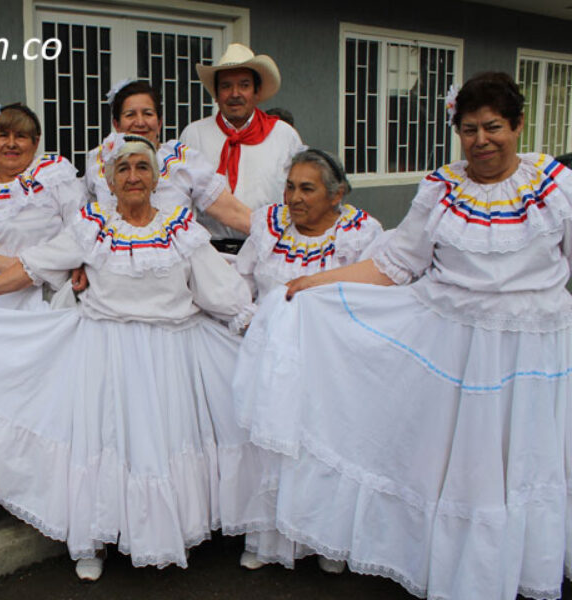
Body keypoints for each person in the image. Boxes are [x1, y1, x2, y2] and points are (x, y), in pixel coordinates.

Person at [225, 72, 572, 599]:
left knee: (524, 462)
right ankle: (465, 570)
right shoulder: (442, 188)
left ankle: (520, 568)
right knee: (468, 468)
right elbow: (394, 263)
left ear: (518, 126)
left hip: (536, 352)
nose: (481, 140)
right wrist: (317, 282)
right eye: (470, 128)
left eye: (494, 127)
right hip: (457, 350)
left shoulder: (554, 186)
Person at [0, 134, 255, 581]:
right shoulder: (92, 227)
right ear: (109, 179)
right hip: (105, 351)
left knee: (161, 446)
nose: (133, 176)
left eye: (141, 168)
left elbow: (219, 291)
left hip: (170, 355)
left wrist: (258, 330)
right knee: (104, 441)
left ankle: (163, 531)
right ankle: (93, 538)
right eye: (123, 169)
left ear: (155, 176)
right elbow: (35, 265)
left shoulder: (181, 228)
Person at [84, 81, 252, 239]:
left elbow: (233, 213)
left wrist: (273, 237)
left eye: (148, 114)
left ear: (159, 122)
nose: (140, 122)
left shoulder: (181, 161)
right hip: (115, 263)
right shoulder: (100, 162)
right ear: (117, 124)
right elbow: (82, 221)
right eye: (130, 115)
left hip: (173, 264)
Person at [0, 103, 83, 309]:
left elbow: (78, 231)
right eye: (3, 135)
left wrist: (33, 269)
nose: (11, 144)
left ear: (36, 142)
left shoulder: (53, 174)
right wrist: (14, 268)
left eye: (21, 136)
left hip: (46, 295)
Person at [180, 43, 304, 252]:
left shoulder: (284, 135)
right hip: (209, 253)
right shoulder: (194, 135)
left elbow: (300, 196)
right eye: (226, 86)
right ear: (217, 94)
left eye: (244, 85)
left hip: (267, 251)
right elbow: (181, 201)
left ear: (256, 92)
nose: (235, 94)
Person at [234, 149, 382, 303]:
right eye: (290, 187)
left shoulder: (358, 235)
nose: (294, 198)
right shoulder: (271, 225)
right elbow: (241, 284)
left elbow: (370, 299)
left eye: (307, 189)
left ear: (337, 195)